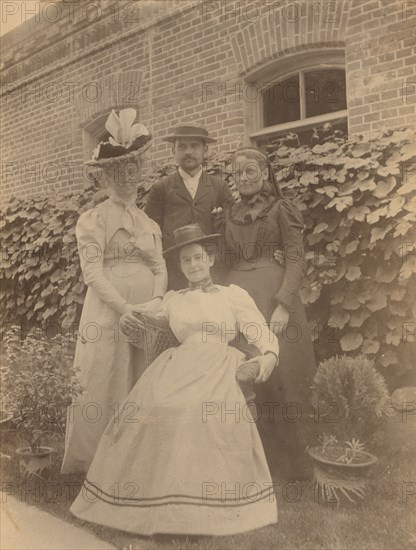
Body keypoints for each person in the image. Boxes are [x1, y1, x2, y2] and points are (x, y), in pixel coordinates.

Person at [69, 224, 279, 536]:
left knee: (194, 410)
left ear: (209, 259)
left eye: (198, 258)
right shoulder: (172, 299)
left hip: (218, 363)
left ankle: (194, 510)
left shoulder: (232, 295)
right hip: (177, 364)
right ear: (180, 267)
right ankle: (154, 502)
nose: (193, 265)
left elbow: (261, 333)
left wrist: (267, 357)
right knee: (149, 411)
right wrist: (127, 317)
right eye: (185, 261)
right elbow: (144, 319)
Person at [61, 109, 167, 474]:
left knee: (141, 377)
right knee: (105, 376)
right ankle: (95, 462)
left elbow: (160, 266)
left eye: (131, 173)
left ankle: (136, 461)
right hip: (109, 312)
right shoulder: (93, 220)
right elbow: (92, 272)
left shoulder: (148, 222)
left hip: (145, 312)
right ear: (106, 178)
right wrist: (125, 308)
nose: (126, 180)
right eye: (118, 174)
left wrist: (154, 302)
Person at [221, 147, 317, 480]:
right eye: (237, 173)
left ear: (264, 173)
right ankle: (253, 467)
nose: (244, 178)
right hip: (239, 302)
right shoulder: (230, 214)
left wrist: (284, 303)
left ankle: (295, 469)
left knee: (283, 379)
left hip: (274, 303)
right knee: (247, 380)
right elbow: (222, 261)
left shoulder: (281, 209)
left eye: (250, 171)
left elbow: (296, 258)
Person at [144, 125, 233, 290]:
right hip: (175, 274)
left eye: (194, 146)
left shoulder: (220, 187)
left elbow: (231, 232)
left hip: (214, 273)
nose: (188, 152)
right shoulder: (161, 188)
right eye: (182, 147)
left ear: (205, 150)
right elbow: (149, 234)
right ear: (173, 152)